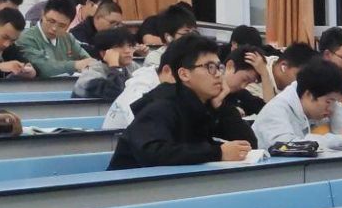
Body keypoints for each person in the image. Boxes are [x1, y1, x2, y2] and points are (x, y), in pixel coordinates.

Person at [108, 34, 256, 170]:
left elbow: (249, 144)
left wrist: (222, 106)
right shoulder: (161, 106)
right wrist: (218, 152)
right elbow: (153, 153)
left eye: (219, 67)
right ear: (184, 74)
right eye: (210, 67)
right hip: (127, 186)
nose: (218, 74)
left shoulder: (203, 104)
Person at [252, 58, 342, 150]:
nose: (331, 108)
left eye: (335, 102)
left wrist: (336, 107)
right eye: (328, 101)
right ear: (308, 94)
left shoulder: (317, 107)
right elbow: (285, 147)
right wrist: (339, 140)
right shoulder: (276, 110)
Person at [16, 0, 97, 79]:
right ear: (42, 14)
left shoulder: (68, 38)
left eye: (62, 25)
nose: (54, 28)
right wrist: (75, 65)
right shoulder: (26, 38)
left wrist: (89, 65)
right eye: (51, 21)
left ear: (69, 24)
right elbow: (43, 68)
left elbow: (89, 62)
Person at [73, 27, 140, 101]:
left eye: (130, 46)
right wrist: (115, 67)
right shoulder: (90, 75)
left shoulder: (133, 67)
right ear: (103, 53)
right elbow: (115, 95)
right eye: (119, 46)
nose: (128, 51)